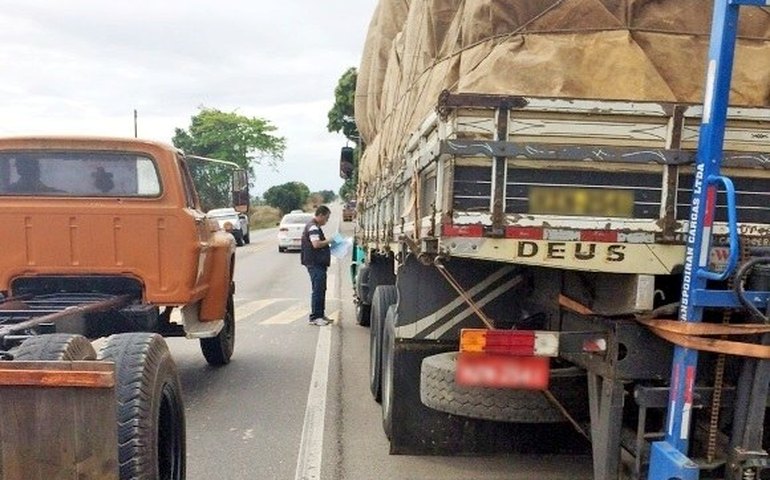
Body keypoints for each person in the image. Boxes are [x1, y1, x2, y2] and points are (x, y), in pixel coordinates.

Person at [301, 205, 334, 326]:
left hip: (317, 263)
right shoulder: (313, 227)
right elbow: (316, 244)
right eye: (326, 217)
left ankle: (320, 314)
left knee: (321, 289)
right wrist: (330, 240)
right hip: (314, 263)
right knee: (318, 290)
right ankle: (315, 317)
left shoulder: (315, 226)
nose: (327, 220)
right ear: (320, 215)